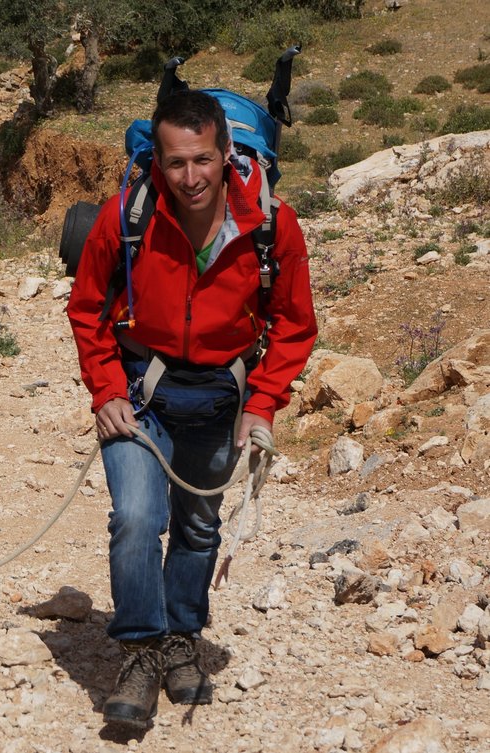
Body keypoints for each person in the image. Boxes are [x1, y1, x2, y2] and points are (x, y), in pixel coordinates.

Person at [66, 89, 317, 729]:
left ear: (226, 151)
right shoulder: (128, 214)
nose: (190, 177)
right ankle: (142, 652)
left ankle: (184, 638)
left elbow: (294, 324)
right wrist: (105, 389)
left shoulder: (270, 223)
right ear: (157, 160)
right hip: (140, 394)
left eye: (202, 159)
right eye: (175, 163)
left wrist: (262, 404)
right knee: (137, 519)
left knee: (200, 531)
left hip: (221, 398)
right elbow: (88, 307)